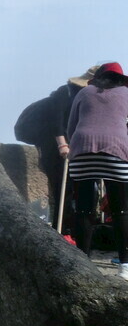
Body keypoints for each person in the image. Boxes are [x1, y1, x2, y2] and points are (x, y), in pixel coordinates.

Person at [66, 62, 128, 278]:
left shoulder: (84, 92)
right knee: (120, 210)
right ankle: (125, 266)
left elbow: (71, 126)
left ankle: (83, 264)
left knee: (83, 209)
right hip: (117, 150)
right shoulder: (126, 94)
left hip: (82, 147)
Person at [14, 66, 97, 228]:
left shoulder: (83, 97)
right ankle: (62, 225)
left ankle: (68, 222)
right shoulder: (65, 92)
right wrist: (62, 145)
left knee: (71, 182)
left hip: (56, 133)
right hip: (37, 128)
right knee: (61, 178)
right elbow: (56, 121)